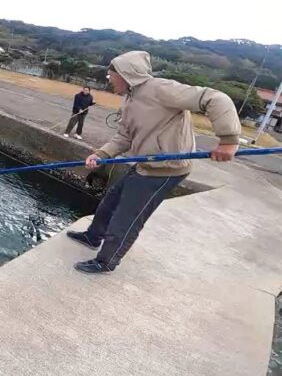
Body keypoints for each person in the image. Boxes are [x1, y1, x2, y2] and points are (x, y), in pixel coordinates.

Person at [67, 51, 241, 274]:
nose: (108, 80)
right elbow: (124, 137)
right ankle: (93, 237)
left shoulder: (160, 89)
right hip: (145, 163)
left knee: (127, 217)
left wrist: (228, 140)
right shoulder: (129, 99)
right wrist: (101, 154)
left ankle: (106, 261)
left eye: (110, 76)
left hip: (166, 169)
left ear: (125, 74)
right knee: (110, 202)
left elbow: (215, 98)